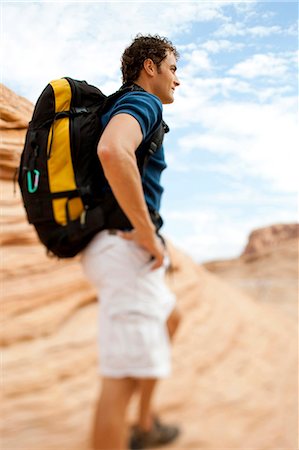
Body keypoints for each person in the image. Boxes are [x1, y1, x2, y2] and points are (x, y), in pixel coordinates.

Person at [81, 34, 181, 450]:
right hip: (123, 246)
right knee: (119, 378)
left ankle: (143, 425)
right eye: (173, 68)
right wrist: (143, 231)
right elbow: (112, 150)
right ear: (150, 67)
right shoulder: (143, 102)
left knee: (171, 317)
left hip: (121, 246)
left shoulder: (123, 103)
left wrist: (152, 235)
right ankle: (130, 427)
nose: (178, 79)